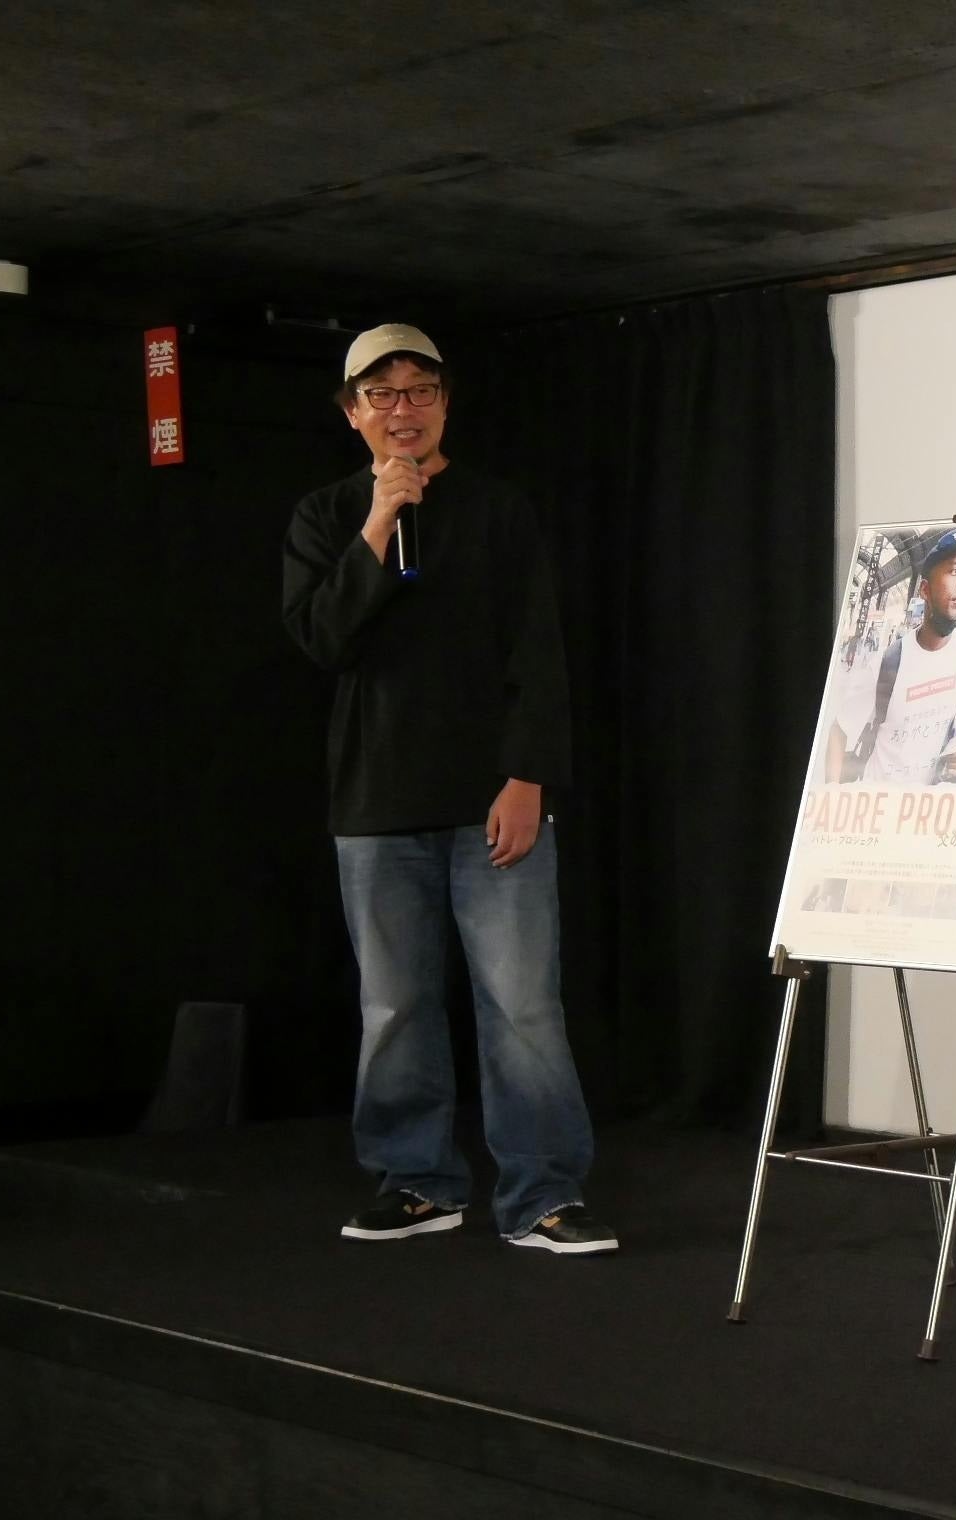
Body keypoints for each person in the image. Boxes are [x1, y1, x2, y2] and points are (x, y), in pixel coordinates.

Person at [281, 322, 616, 1256]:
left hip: (492, 799)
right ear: (352, 413)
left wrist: (528, 777)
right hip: (375, 802)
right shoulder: (325, 517)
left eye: (420, 391)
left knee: (522, 1005)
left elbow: (537, 652)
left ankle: (543, 1194)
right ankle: (418, 1180)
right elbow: (321, 639)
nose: (404, 410)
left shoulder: (499, 510)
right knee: (393, 1008)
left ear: (445, 404)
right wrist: (380, 519)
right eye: (383, 395)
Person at [825, 526, 956, 787]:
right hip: (882, 799)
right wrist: (830, 797)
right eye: (954, 571)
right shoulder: (887, 662)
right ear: (925, 590)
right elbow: (839, 730)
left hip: (929, 803)